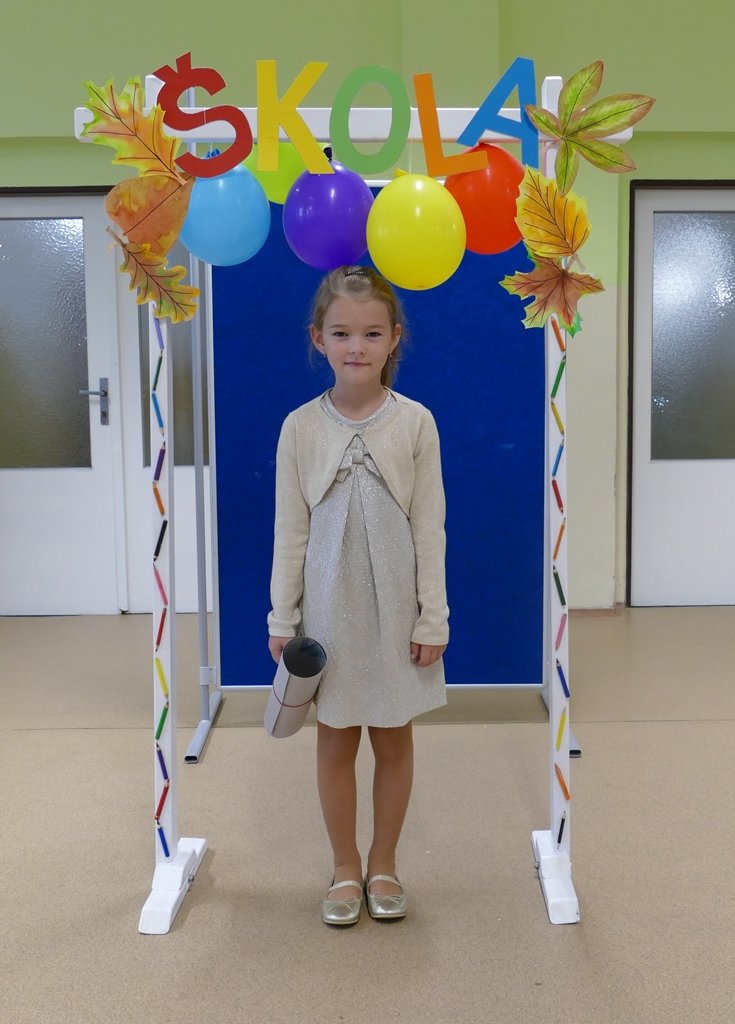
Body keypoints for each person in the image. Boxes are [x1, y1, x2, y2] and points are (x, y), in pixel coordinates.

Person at [267, 265, 449, 926]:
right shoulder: (299, 428)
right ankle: (344, 866)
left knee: (394, 737)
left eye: (372, 333)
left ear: (394, 338)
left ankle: (384, 862)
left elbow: (429, 527)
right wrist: (282, 615)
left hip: (396, 607)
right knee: (336, 740)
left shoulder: (415, 423)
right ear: (318, 338)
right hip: (327, 609)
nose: (356, 346)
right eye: (341, 332)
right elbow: (290, 529)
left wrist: (432, 618)